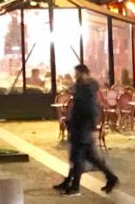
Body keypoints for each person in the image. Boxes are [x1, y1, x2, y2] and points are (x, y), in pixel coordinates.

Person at [53, 64, 119, 196]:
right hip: (79, 127)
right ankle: (110, 178)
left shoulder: (87, 89)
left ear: (84, 74)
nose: (75, 76)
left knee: (78, 158)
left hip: (82, 128)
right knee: (89, 158)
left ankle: (74, 187)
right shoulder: (81, 87)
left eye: (77, 73)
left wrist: (90, 126)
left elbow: (90, 109)